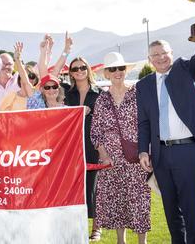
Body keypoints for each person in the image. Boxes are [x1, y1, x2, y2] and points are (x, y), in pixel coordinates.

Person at [136, 31, 195, 243]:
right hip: (161, 155)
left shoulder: (185, 69)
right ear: (149, 59)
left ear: (172, 53)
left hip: (187, 152)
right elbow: (143, 122)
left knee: (192, 210)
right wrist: (144, 150)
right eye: (156, 54)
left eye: (164, 53)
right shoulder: (143, 85)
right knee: (171, 211)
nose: (161, 57)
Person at [92, 52, 151, 244]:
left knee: (139, 201)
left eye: (120, 68)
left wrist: (145, 151)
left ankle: (142, 242)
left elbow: (147, 124)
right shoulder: (102, 99)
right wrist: (103, 155)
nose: (117, 72)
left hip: (136, 159)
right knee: (118, 202)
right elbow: (95, 131)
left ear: (125, 70)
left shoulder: (138, 94)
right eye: (112, 69)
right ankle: (121, 241)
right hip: (111, 161)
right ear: (107, 73)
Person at [65, 56, 102, 241]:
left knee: (94, 187)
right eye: (75, 68)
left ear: (88, 69)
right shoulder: (66, 93)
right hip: (71, 146)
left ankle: (96, 227)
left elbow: (105, 121)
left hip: (93, 145)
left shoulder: (100, 93)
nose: (79, 71)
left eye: (82, 67)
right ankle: (77, 226)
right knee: (74, 188)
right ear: (70, 73)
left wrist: (91, 111)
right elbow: (47, 78)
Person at [0, 42, 38, 111]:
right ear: (20, 79)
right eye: (25, 76)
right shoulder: (11, 97)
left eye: (32, 76)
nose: (28, 79)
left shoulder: (39, 95)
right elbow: (2, 117)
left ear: (36, 80)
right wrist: (17, 59)